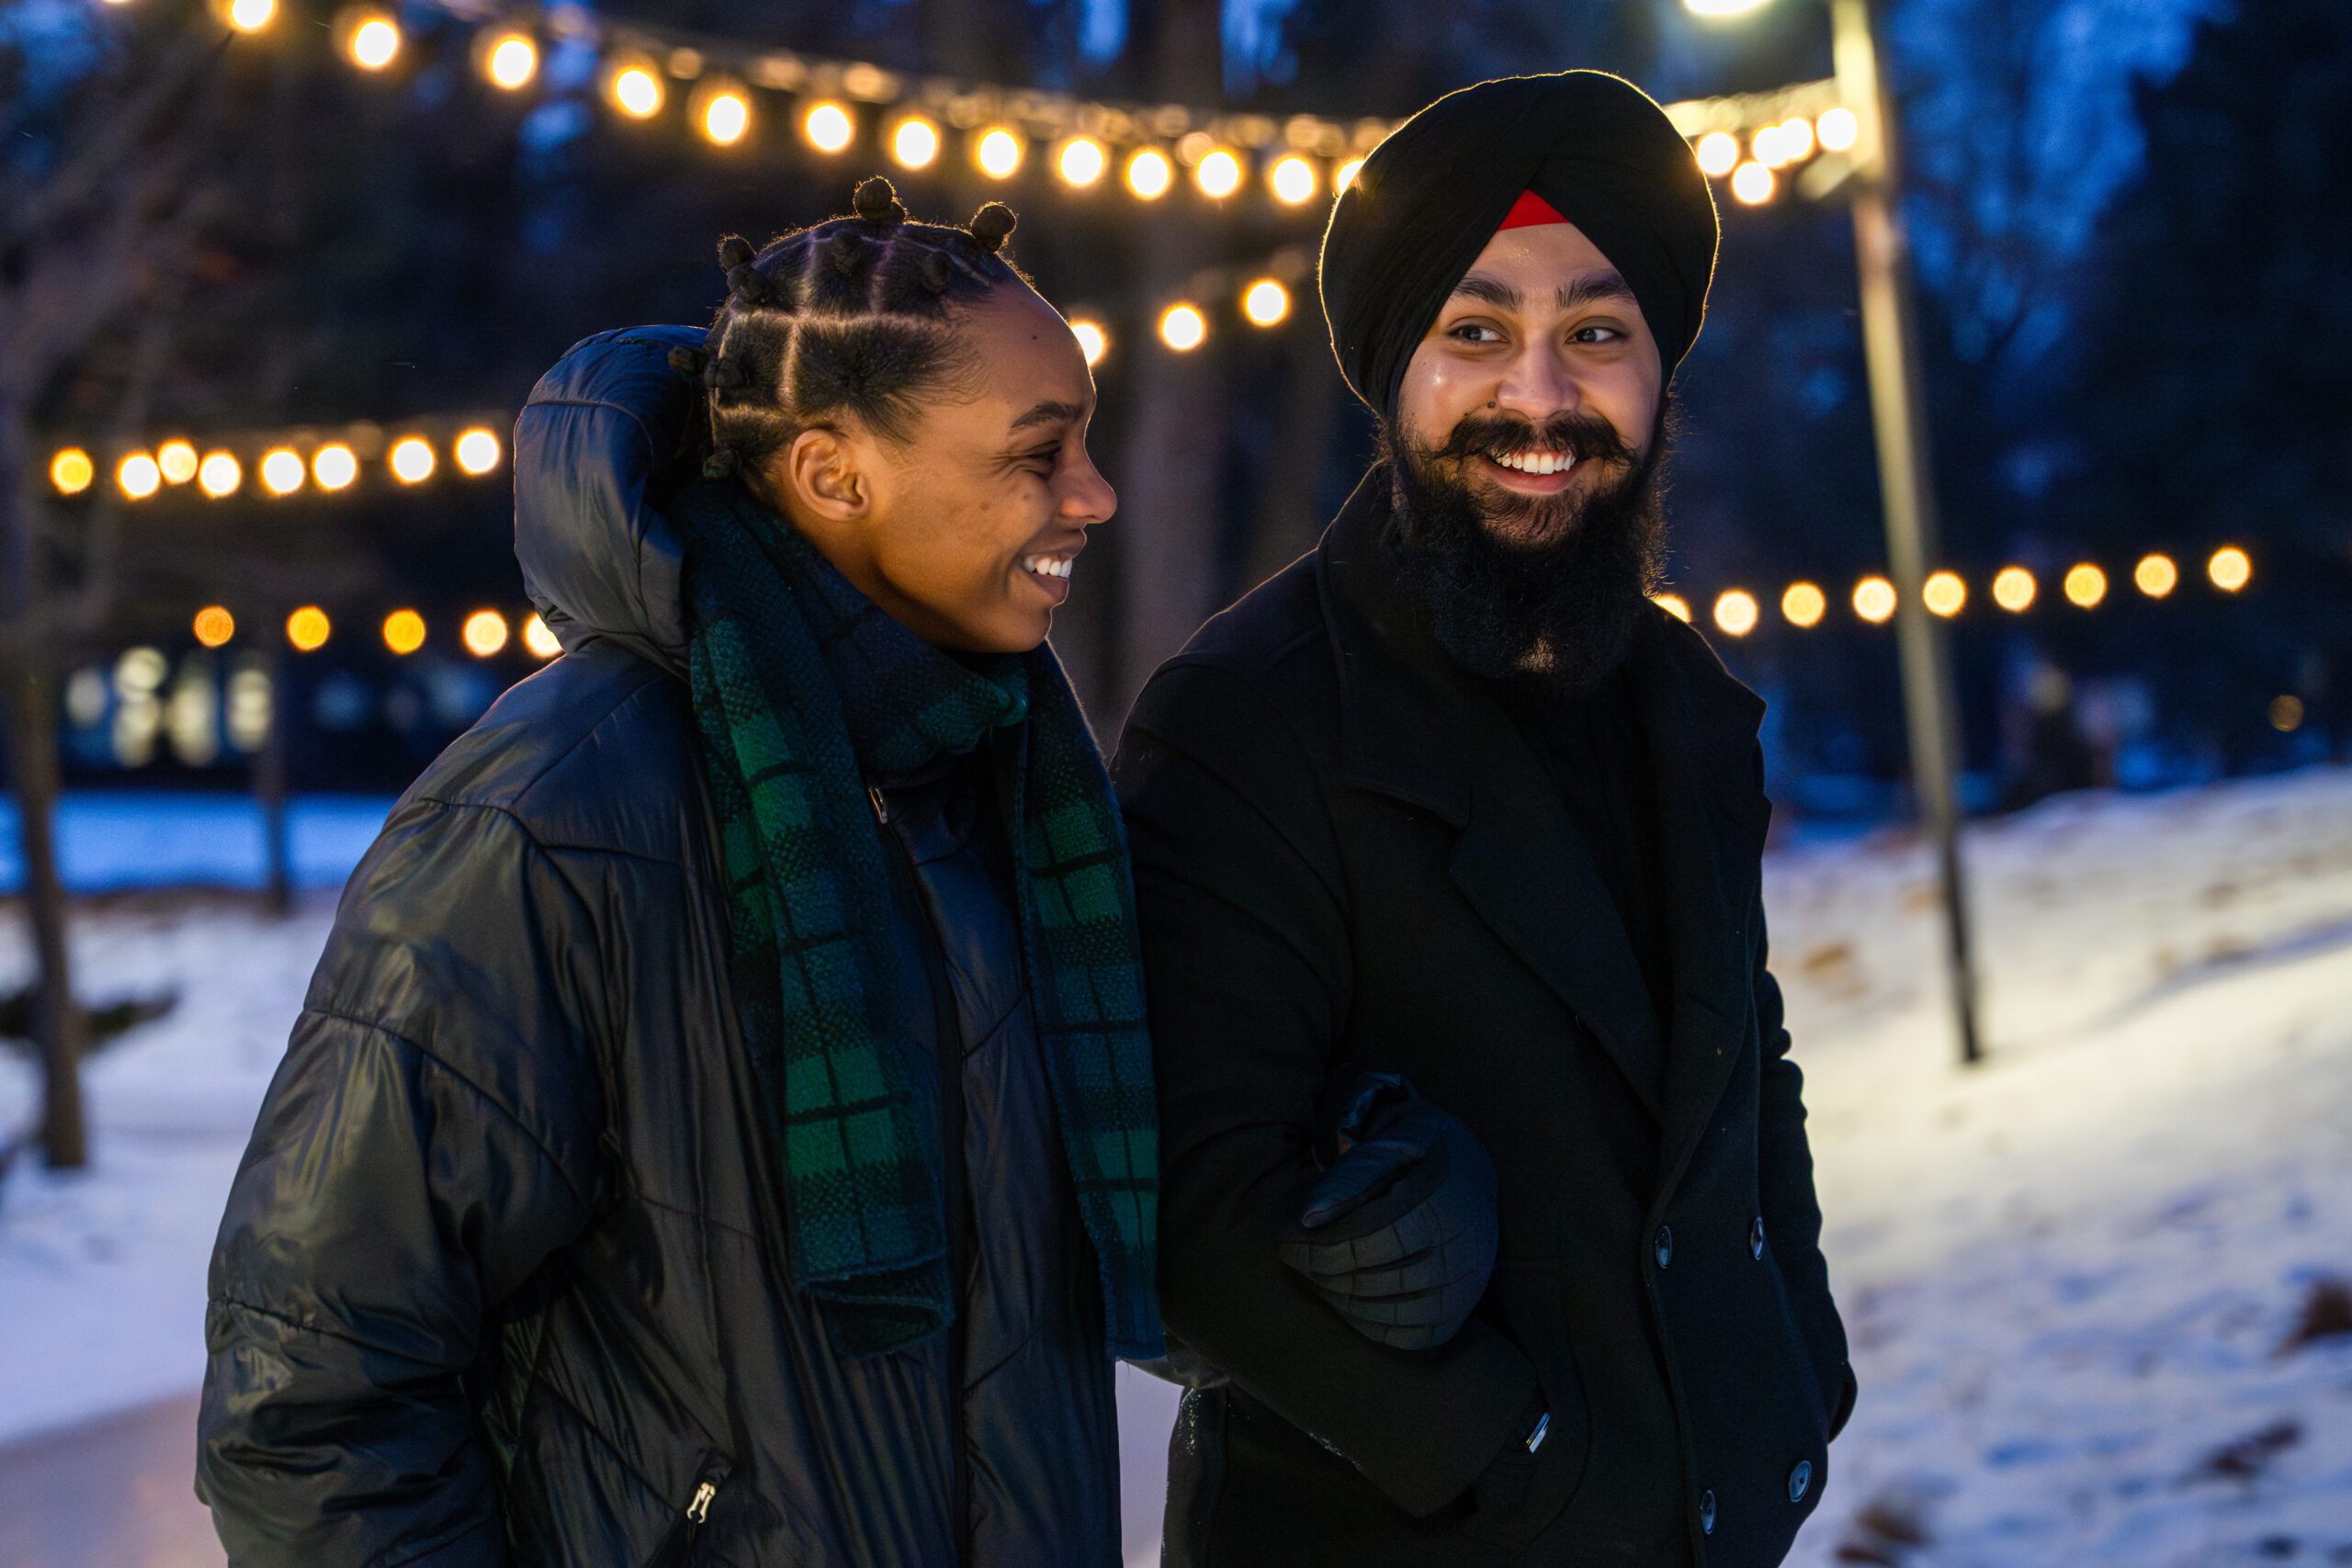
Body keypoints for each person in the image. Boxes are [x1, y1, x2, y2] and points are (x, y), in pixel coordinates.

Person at [196, 176, 1160, 1567]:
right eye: (1039, 452)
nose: (1095, 494)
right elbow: (313, 1392)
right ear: (835, 473)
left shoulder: (1000, 786)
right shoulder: (554, 814)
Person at [1114, 73, 1854, 1567]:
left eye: (1596, 332)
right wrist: (1516, 1460)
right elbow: (1189, 1215)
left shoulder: (1689, 707)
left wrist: (1798, 1363)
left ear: (1658, 370)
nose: (1539, 398)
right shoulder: (1248, 718)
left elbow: (1741, 1063)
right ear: (1395, 372)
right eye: (1475, 333)